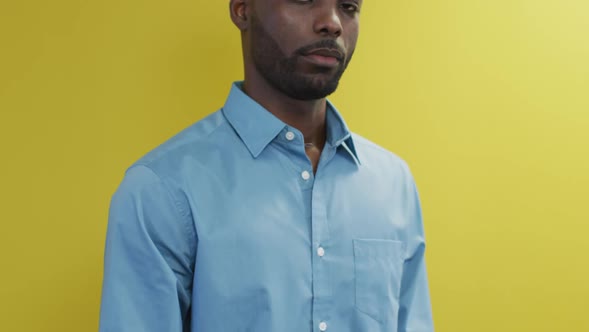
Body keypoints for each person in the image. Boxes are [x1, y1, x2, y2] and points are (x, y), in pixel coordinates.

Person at [99, 0, 434, 331]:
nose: (332, 22)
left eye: (348, 6)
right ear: (242, 9)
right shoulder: (163, 189)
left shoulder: (393, 185)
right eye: (304, 0)